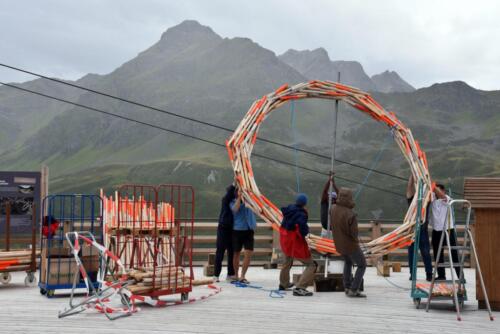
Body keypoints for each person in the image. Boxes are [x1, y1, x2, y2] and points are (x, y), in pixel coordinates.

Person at [330, 187, 367, 298]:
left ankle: (347, 287)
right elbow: (354, 234)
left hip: (339, 244)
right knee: (362, 265)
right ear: (350, 198)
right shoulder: (351, 214)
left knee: (348, 262)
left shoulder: (333, 209)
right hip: (350, 245)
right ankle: (354, 289)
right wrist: (356, 241)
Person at [279, 193, 317, 297]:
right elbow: (302, 228)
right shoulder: (301, 214)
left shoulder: (289, 209)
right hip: (294, 241)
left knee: (287, 260)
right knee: (311, 265)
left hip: (284, 238)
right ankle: (300, 288)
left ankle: (283, 284)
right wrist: (307, 234)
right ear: (305, 203)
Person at [429, 183, 461, 281]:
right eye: (435, 191)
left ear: (443, 191)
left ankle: (460, 276)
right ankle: (442, 275)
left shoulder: (447, 199)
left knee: (454, 253)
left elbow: (442, 195)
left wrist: (434, 187)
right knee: (438, 254)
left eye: (438, 191)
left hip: (448, 230)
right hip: (436, 231)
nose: (436, 193)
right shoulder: (433, 200)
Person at [406, 174, 433, 281]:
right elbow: (409, 188)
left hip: (423, 230)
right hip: (411, 230)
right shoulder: (412, 200)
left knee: (426, 252)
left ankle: (429, 274)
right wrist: (412, 175)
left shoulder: (426, 201)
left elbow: (430, 190)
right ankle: (413, 274)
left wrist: (425, 175)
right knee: (412, 253)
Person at [231, 185, 256, 284]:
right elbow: (235, 210)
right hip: (237, 230)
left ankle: (243, 276)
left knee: (248, 253)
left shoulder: (249, 201)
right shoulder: (232, 201)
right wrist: (239, 198)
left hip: (249, 229)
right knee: (236, 253)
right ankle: (236, 275)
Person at [213, 184, 237, 282]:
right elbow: (228, 195)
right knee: (220, 252)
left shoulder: (234, 201)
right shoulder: (226, 200)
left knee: (231, 253)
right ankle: (216, 275)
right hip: (223, 228)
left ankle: (230, 274)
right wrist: (235, 183)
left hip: (230, 229)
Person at [320, 172, 339, 237]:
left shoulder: (337, 205)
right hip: (325, 230)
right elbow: (325, 191)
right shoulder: (324, 203)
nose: (331, 199)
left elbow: (340, 195)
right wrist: (329, 181)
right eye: (330, 197)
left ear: (336, 199)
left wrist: (333, 184)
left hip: (334, 232)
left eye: (333, 198)